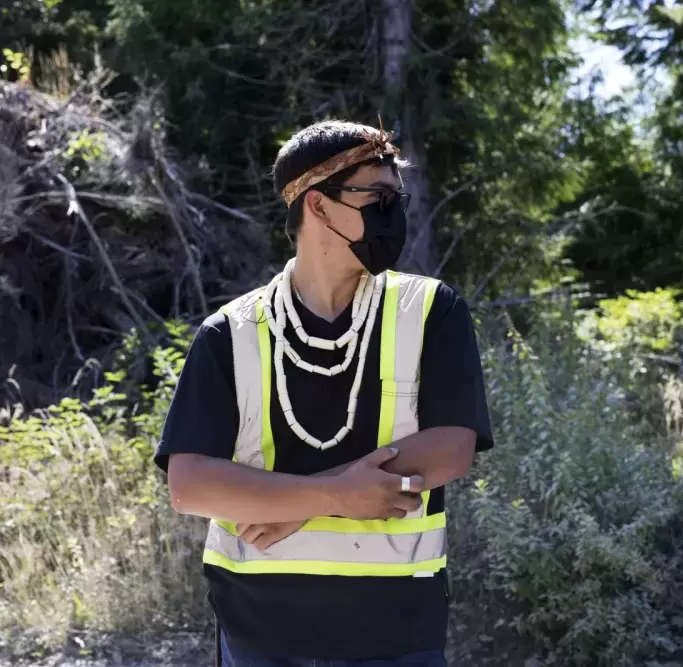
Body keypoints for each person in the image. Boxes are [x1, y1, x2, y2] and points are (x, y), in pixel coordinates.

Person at [153, 119, 494, 666]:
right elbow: (190, 485)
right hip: (258, 633)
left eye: (397, 198)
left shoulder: (432, 311)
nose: (394, 215)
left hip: (398, 633)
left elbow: (452, 446)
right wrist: (333, 496)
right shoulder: (229, 332)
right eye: (377, 197)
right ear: (318, 205)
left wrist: (299, 504)